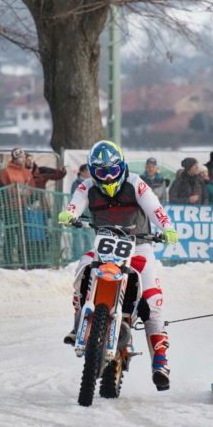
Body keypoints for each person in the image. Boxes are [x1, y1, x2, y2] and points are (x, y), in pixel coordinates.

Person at [58, 140, 179, 391]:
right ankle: (78, 323)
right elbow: (75, 204)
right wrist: (70, 214)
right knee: (82, 270)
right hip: (104, 246)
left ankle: (160, 362)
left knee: (153, 301)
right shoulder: (87, 186)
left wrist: (167, 228)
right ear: (93, 172)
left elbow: (155, 209)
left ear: (121, 167)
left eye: (112, 171)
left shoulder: (136, 183)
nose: (108, 177)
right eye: (101, 173)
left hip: (139, 246)